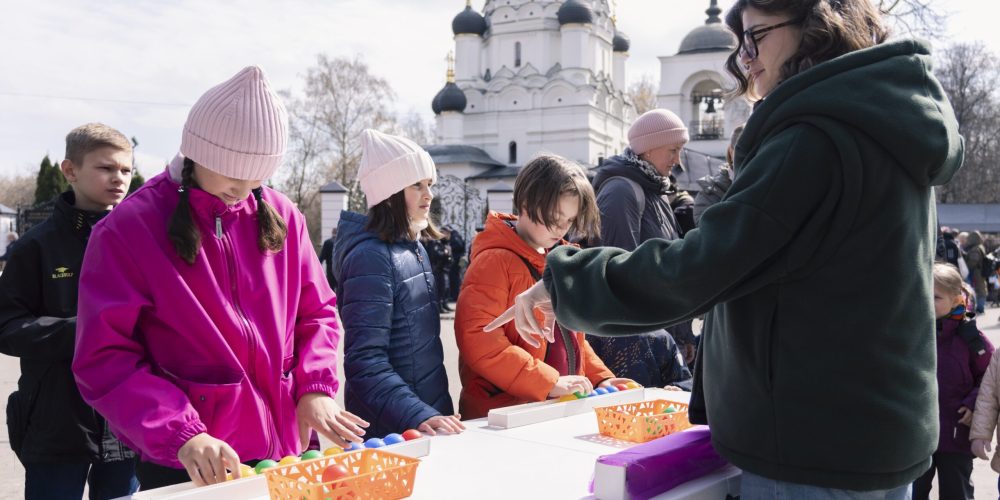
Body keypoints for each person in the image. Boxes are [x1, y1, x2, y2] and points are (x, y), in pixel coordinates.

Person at [487, 0, 964, 496]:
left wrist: (563, 279)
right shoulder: (883, 125)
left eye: (757, 35)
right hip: (873, 428)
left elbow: (701, 267)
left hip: (811, 444)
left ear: (817, 29)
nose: (745, 57)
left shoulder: (814, 139)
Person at [72, 67, 366, 489]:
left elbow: (316, 312)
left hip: (286, 450)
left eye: (257, 175)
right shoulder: (127, 229)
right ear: (195, 153)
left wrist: (314, 387)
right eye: (231, 172)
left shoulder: (283, 215)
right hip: (192, 460)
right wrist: (180, 432)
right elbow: (106, 358)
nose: (243, 188)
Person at [0, 123, 138, 499]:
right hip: (56, 421)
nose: (119, 179)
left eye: (126, 170)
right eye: (106, 168)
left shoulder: (142, 241)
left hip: (128, 418)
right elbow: (7, 326)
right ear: (70, 171)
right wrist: (87, 332)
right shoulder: (35, 247)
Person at [455, 155, 634, 419]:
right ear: (527, 203)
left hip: (556, 402)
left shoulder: (561, 256)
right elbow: (479, 340)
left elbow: (572, 339)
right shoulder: (495, 261)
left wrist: (599, 379)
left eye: (570, 220)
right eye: (555, 217)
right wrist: (545, 382)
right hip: (506, 414)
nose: (562, 228)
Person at [332, 129, 463, 438]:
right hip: (392, 429)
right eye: (416, 185)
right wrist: (418, 414)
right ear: (388, 193)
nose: (428, 195)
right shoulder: (371, 258)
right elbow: (366, 362)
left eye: (429, 184)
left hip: (425, 419)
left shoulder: (412, 247)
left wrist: (433, 411)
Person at [586, 109, 697, 383]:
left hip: (662, 339)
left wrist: (683, 337)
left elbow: (671, 271)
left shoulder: (656, 191)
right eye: (673, 150)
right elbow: (620, 273)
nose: (677, 160)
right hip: (638, 346)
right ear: (648, 149)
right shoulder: (622, 192)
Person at [913, 263, 992, 500]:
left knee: (956, 492)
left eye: (935, 297)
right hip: (916, 435)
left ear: (957, 299)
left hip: (956, 434)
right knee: (912, 493)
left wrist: (972, 402)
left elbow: (990, 377)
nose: (926, 301)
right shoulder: (910, 332)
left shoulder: (971, 338)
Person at [693, 125, 744, 226]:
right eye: (743, 151)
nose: (748, 158)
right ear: (731, 151)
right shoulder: (709, 194)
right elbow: (707, 235)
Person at [964, 230, 989, 314]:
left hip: (976, 272)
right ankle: (980, 306)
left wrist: (966, 267)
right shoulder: (980, 247)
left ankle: (980, 307)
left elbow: (973, 260)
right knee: (981, 288)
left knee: (980, 289)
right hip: (980, 271)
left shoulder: (975, 249)